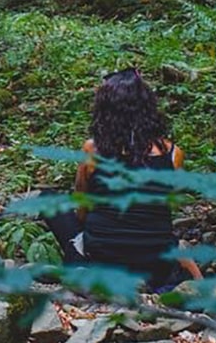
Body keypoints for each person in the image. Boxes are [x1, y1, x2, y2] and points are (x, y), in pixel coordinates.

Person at [46, 68, 202, 290]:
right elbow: (160, 207)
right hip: (154, 262)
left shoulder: (92, 150)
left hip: (104, 258)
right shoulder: (173, 154)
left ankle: (83, 268)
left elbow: (82, 212)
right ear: (149, 109)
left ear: (105, 110)